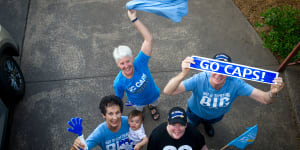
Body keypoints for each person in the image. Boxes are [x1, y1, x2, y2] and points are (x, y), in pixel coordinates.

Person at [163, 53, 285, 137]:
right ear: (209, 68)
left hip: (216, 115)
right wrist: (182, 74)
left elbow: (265, 99)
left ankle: (208, 125)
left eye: (224, 71)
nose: (218, 74)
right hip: (194, 112)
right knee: (192, 125)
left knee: (209, 122)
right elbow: (168, 91)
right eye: (215, 68)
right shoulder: (199, 79)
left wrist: (272, 93)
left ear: (230, 72)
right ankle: (192, 128)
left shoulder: (236, 83)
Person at [113, 10, 160, 120]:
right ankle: (141, 111)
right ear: (117, 64)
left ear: (132, 58)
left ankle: (152, 107)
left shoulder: (140, 61)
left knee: (154, 103)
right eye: (122, 63)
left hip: (153, 94)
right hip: (137, 102)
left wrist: (134, 19)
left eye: (128, 61)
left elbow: (149, 39)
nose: (126, 66)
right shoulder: (118, 82)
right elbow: (118, 99)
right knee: (139, 109)